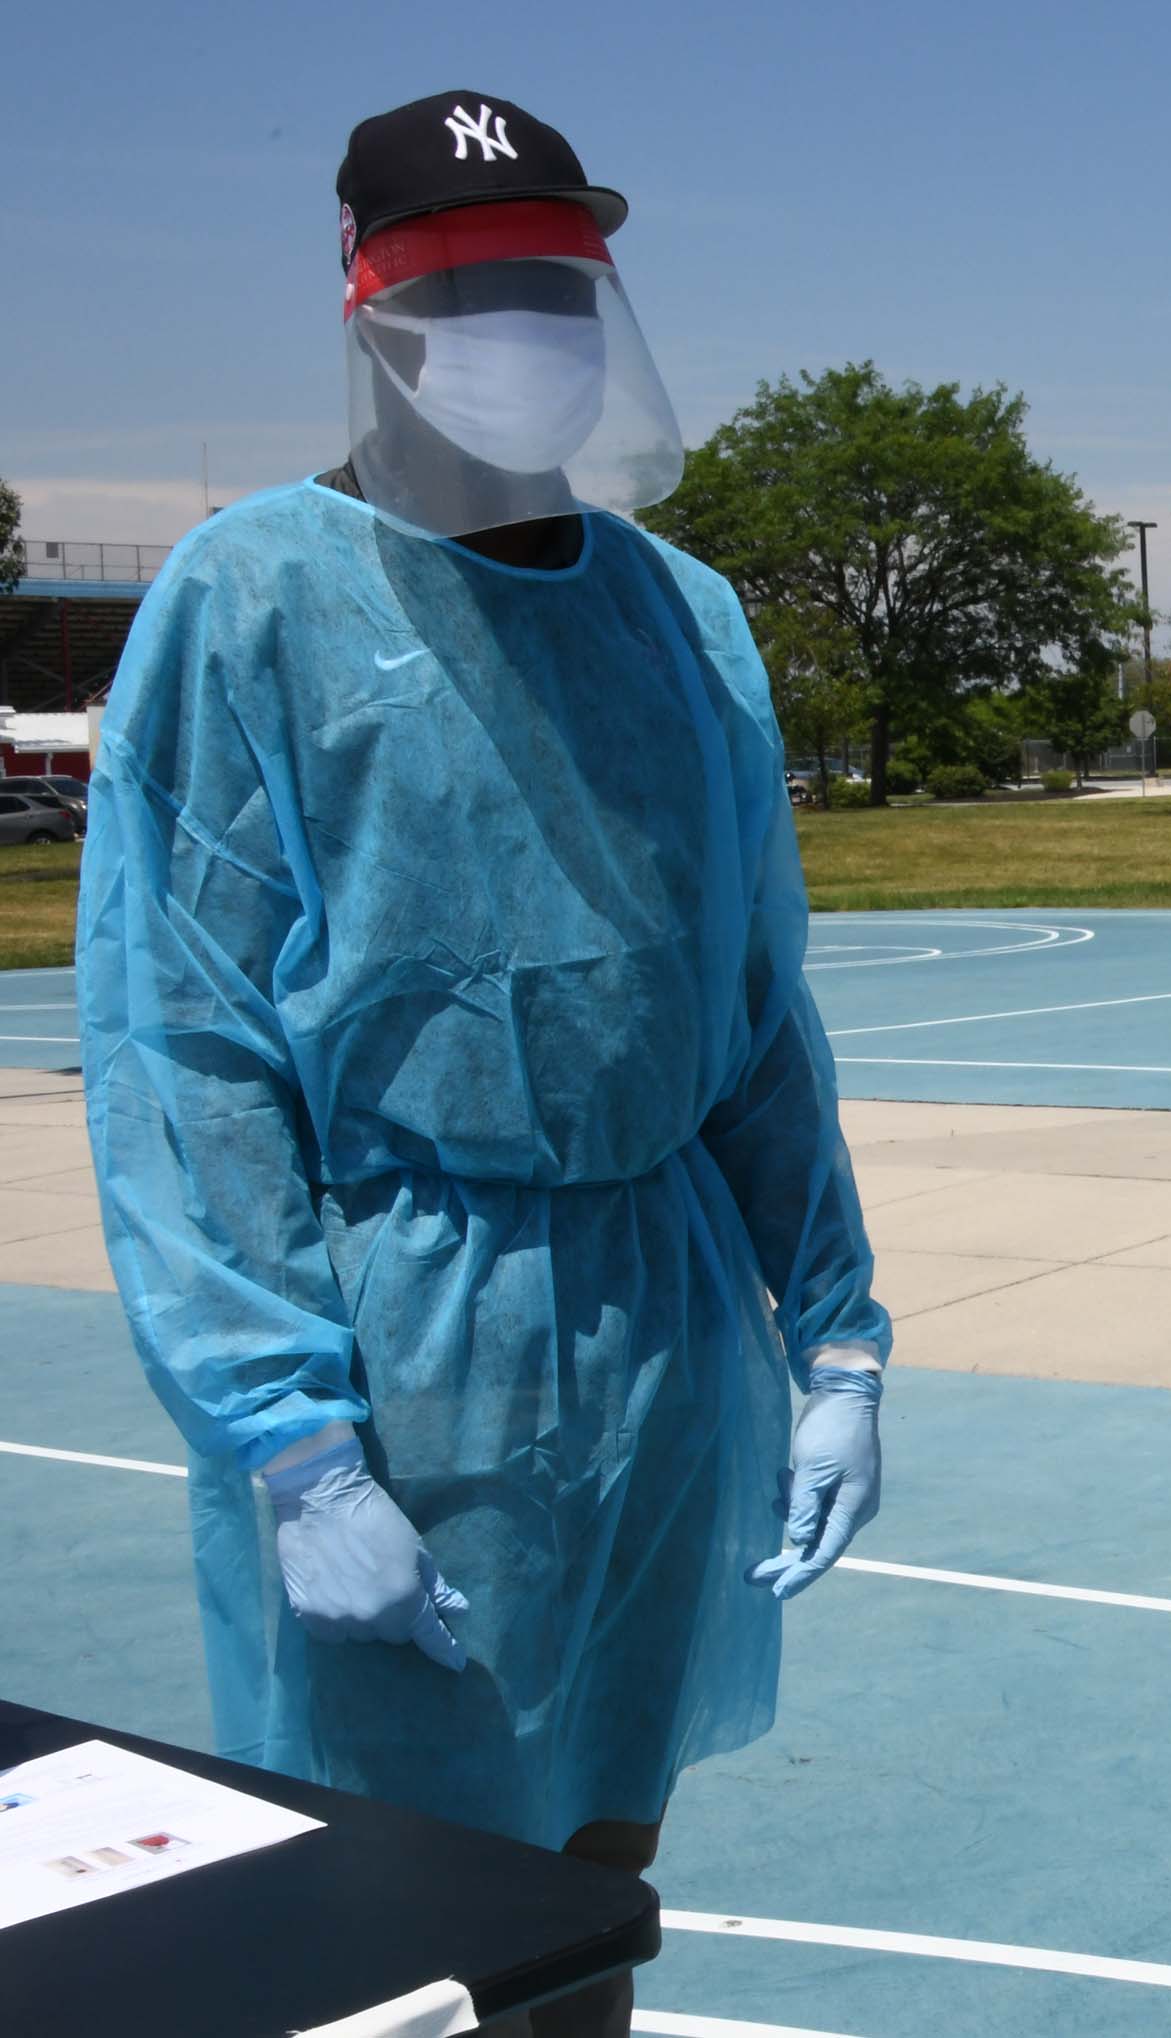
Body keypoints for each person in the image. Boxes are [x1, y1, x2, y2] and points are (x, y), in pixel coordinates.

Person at [77, 92, 888, 2038]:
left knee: (592, 1869)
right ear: (370, 307)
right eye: (469, 287)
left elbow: (754, 1007)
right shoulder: (253, 596)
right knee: (391, 1907)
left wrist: (835, 1333)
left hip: (664, 1317)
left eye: (554, 278)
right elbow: (181, 1043)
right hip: (400, 1329)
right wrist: (287, 1428)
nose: (525, 322)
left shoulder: (677, 615)